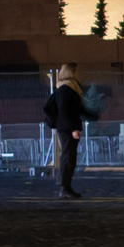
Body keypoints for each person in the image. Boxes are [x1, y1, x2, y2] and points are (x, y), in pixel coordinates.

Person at [43, 65, 89, 199]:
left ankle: (65, 186)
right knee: (68, 157)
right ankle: (64, 187)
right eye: (76, 71)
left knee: (69, 157)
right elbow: (66, 111)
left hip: (66, 127)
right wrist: (73, 128)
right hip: (67, 128)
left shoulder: (68, 88)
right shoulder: (66, 89)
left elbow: (75, 109)